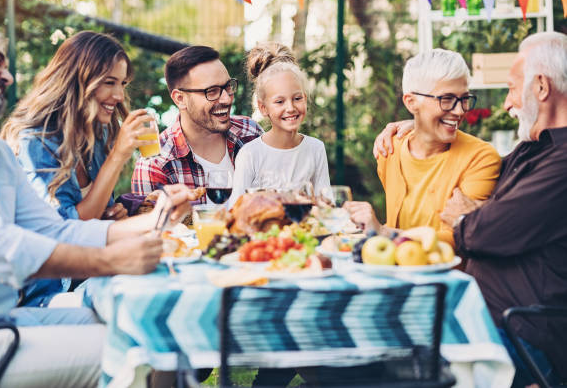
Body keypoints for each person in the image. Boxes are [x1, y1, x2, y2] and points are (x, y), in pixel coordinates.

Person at [0, 16, 193, 387]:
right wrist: (109, 260)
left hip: (0, 320)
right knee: (143, 351)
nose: (8, 75)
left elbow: (56, 229)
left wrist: (158, 217)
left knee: (153, 333)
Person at [375, 32, 567, 387]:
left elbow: (484, 231)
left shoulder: (562, 162)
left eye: (512, 88)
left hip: (521, 330)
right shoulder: (535, 150)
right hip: (480, 314)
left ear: (541, 87)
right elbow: (492, 214)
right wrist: (419, 126)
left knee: (388, 367)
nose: (508, 103)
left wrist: (468, 217)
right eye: (449, 99)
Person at [0, 31, 159, 307]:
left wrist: (113, 214)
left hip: (90, 275)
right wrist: (119, 154)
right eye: (109, 83)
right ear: (78, 80)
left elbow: (94, 214)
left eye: (122, 83)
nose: (119, 95)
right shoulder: (35, 141)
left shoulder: (94, 135)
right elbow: (66, 230)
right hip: (48, 294)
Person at [346, 49, 501, 247]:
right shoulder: (389, 150)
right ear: (411, 102)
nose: (460, 110)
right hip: (395, 272)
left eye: (464, 99)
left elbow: (457, 239)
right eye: (446, 99)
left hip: (450, 276)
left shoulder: (481, 158)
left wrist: (384, 232)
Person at [130, 45, 263, 203]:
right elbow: (151, 226)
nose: (227, 98)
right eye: (212, 91)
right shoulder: (156, 165)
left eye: (228, 87)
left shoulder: (250, 133)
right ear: (180, 99)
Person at [229, 42, 330, 203]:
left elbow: (327, 205)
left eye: (297, 98)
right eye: (279, 102)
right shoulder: (250, 154)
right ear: (263, 108)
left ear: (305, 98)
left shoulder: (315, 149)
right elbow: (236, 209)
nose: (290, 108)